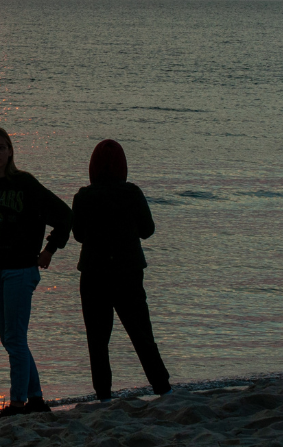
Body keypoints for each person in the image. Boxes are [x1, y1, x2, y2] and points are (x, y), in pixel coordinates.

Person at [0, 128, 73, 420]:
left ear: (10, 151)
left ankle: (17, 404)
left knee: (14, 338)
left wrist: (50, 249)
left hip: (22, 270)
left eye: (2, 147)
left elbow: (64, 215)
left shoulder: (24, 184)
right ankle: (35, 399)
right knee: (11, 338)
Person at [72, 139, 171, 399]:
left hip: (94, 273)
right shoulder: (132, 192)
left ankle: (103, 394)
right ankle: (162, 387)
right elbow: (148, 230)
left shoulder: (83, 196)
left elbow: (79, 235)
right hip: (128, 271)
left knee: (98, 339)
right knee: (141, 334)